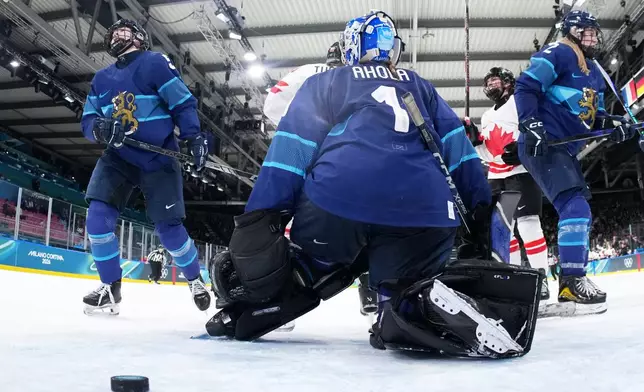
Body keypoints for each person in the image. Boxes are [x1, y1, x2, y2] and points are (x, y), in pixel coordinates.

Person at [204, 11, 542, 358]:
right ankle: (401, 308)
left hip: (340, 201)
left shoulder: (326, 82)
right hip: (425, 213)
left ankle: (275, 297)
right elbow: (461, 155)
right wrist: (481, 209)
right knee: (400, 287)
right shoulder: (420, 86)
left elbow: (289, 154)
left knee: (317, 265)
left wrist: (261, 215)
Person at [80, 19, 211, 315]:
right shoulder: (101, 79)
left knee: (169, 230)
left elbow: (182, 103)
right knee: (97, 220)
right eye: (112, 32)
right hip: (118, 156)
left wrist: (192, 137)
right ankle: (110, 289)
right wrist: (99, 129)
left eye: (124, 31)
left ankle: (195, 279)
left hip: (159, 157)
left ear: (141, 38)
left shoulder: (154, 62)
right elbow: (88, 120)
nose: (116, 35)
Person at [514, 10, 637, 315]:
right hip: (543, 145)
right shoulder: (559, 52)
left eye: (596, 33)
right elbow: (526, 86)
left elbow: (587, 116)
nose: (594, 38)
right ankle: (571, 282)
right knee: (575, 205)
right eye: (588, 32)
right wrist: (530, 122)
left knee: (578, 204)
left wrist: (616, 124)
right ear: (571, 32)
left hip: (562, 149)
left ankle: (571, 281)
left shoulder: (593, 70)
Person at [262, 41, 378, 317]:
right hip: (343, 160)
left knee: (292, 222)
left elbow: (272, 105)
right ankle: (370, 287)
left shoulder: (313, 73)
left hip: (316, 157)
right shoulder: (357, 79)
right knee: (370, 219)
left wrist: (301, 126)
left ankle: (277, 296)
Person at [464, 67, 549, 301]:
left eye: (495, 81)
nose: (491, 85)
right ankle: (513, 280)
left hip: (521, 172)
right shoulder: (488, 115)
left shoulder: (520, 103)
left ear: (509, 83)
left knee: (528, 224)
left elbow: (537, 130)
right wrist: (473, 140)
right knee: (503, 230)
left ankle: (541, 278)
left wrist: (524, 150)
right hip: (496, 175)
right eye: (488, 82)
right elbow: (490, 152)